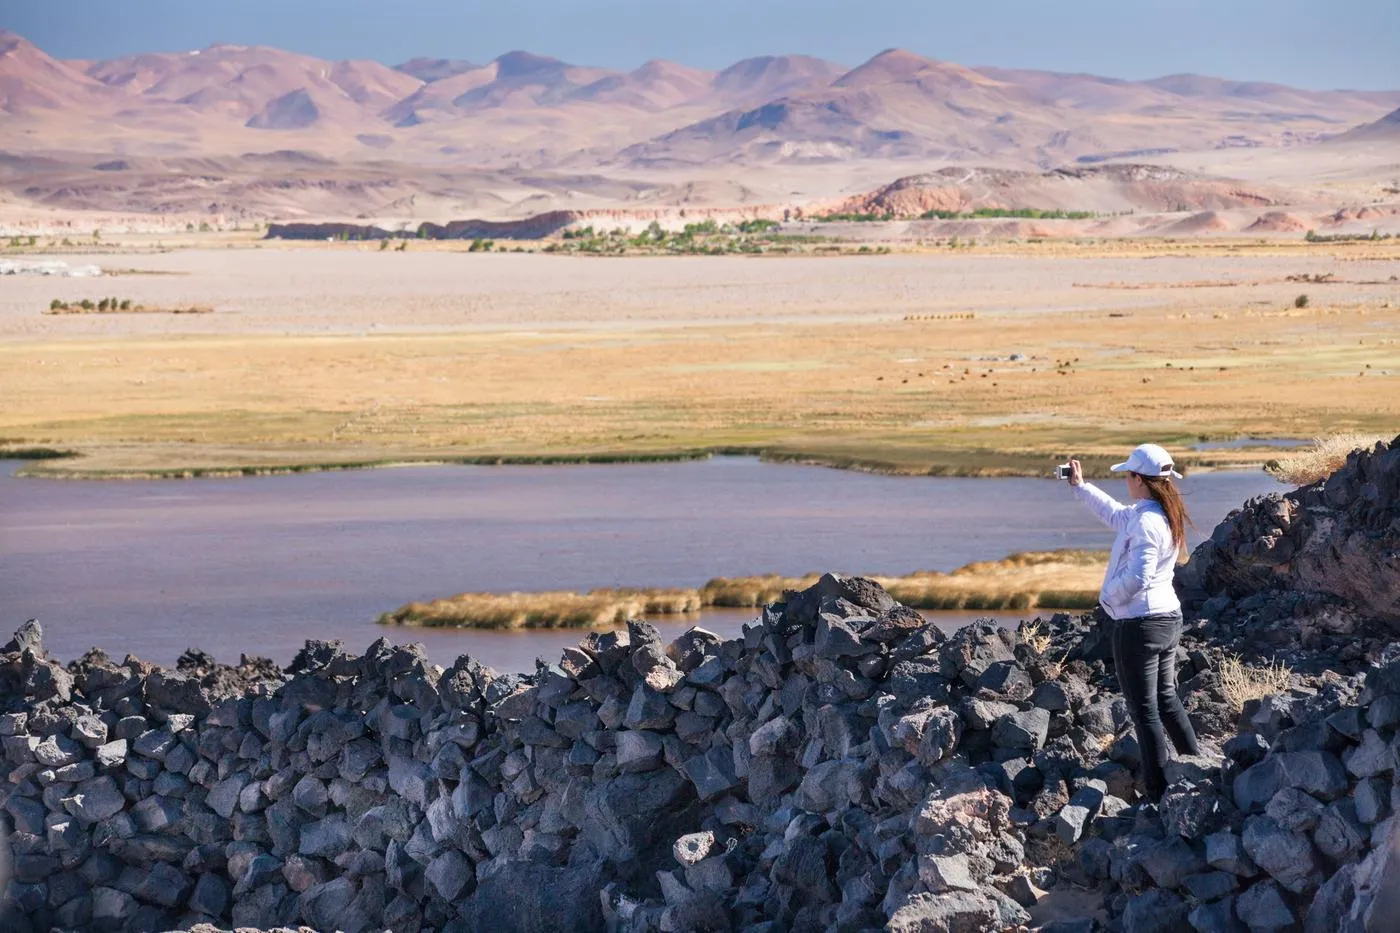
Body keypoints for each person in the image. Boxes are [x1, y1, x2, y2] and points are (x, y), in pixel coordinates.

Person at [1066, 443, 1200, 801]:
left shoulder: (1145, 521)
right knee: (1166, 699)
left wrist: (1109, 598)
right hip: (1168, 618)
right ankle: (1197, 767)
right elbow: (1114, 514)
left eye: (1128, 475)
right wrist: (1081, 487)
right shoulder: (1161, 512)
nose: (1126, 480)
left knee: (1145, 712)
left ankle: (1157, 794)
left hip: (1140, 625)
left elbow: (1139, 577)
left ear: (1139, 479)